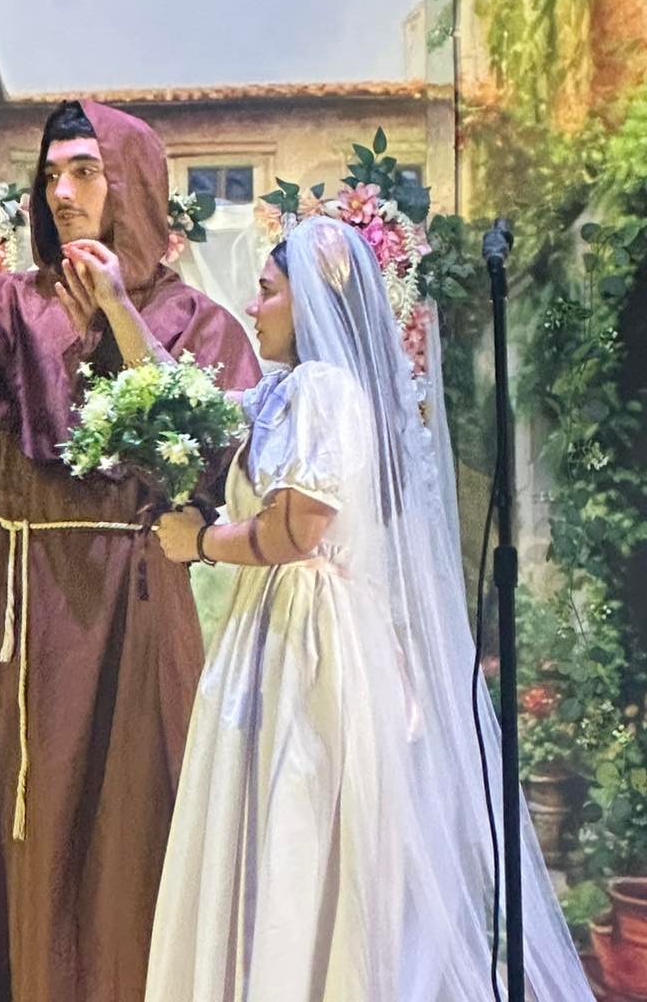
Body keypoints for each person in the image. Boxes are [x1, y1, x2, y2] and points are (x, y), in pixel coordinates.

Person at [69, 216, 594, 1002]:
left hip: (306, 639)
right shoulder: (291, 391)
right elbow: (181, 397)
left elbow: (297, 529)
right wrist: (116, 303)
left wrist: (201, 542)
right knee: (276, 821)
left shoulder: (323, 390)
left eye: (267, 291)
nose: (253, 308)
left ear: (310, 301)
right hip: (280, 622)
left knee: (293, 820)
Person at [0, 100, 260, 1002]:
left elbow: (210, 443)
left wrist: (119, 311)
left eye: (86, 170)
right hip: (25, 596)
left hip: (134, 592)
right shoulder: (10, 301)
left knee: (135, 816)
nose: (63, 192)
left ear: (135, 183)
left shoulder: (200, 322)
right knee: (24, 810)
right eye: (52, 175)